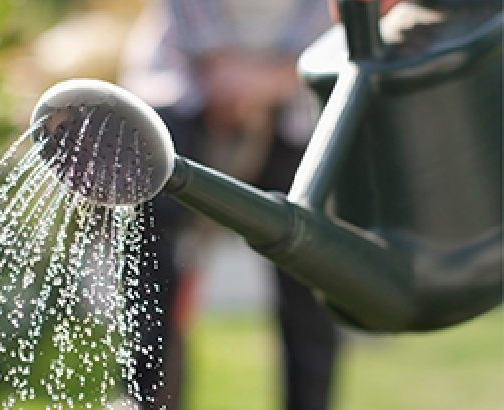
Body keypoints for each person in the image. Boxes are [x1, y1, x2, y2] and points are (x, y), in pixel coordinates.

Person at [119, 0, 345, 409]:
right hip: (185, 99)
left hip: (295, 112)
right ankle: (146, 398)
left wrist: (269, 81)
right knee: (153, 272)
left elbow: (331, 19)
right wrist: (220, 70)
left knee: (311, 272)